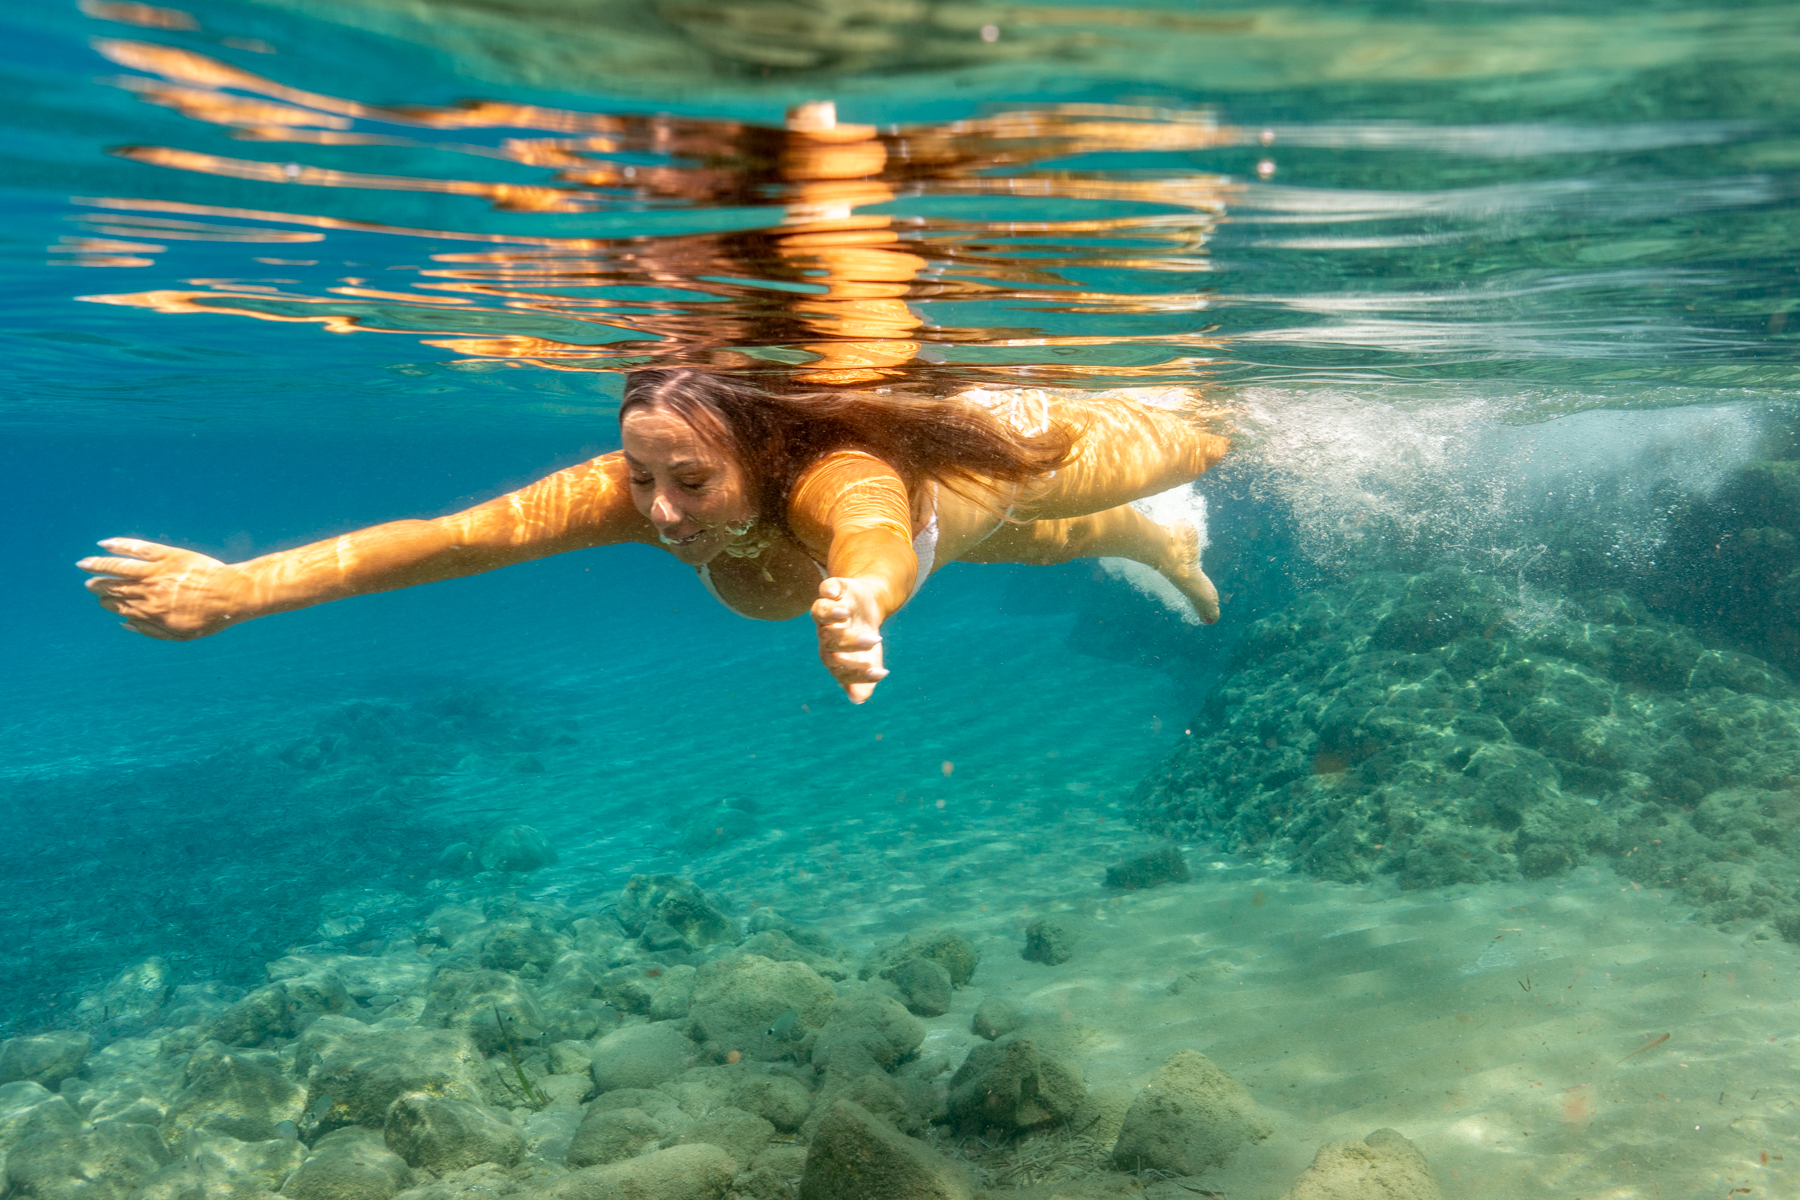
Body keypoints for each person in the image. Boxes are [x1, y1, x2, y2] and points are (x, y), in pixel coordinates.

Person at [78, 369, 1228, 703]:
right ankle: (1159, 549)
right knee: (1047, 544)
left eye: (690, 478)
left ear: (763, 456)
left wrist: (866, 603)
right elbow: (448, 541)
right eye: (641, 474)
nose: (659, 509)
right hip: (976, 531)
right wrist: (237, 591)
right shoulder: (629, 493)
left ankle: (1179, 497)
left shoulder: (838, 476)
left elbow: (875, 539)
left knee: (1205, 440)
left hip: (1010, 444)